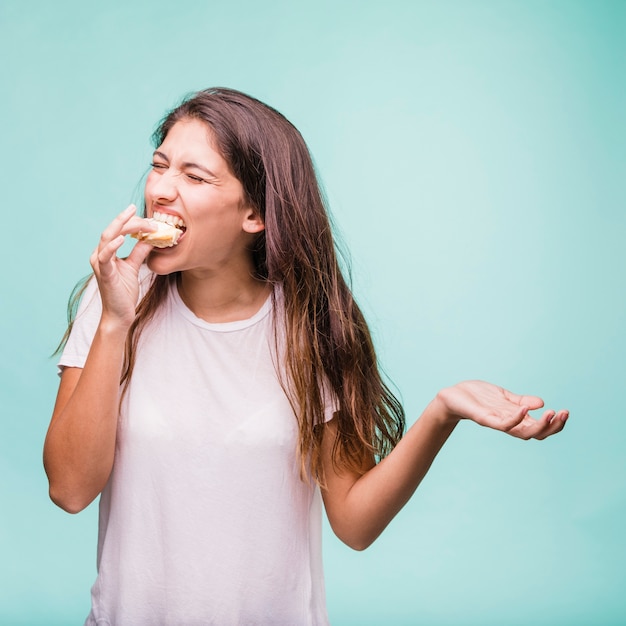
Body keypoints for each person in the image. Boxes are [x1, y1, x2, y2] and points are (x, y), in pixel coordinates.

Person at [44, 87, 569, 626]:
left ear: (255, 214)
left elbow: (355, 524)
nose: (161, 191)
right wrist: (113, 322)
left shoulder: (310, 328)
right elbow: (69, 489)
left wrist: (442, 413)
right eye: (160, 166)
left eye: (194, 177)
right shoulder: (111, 299)